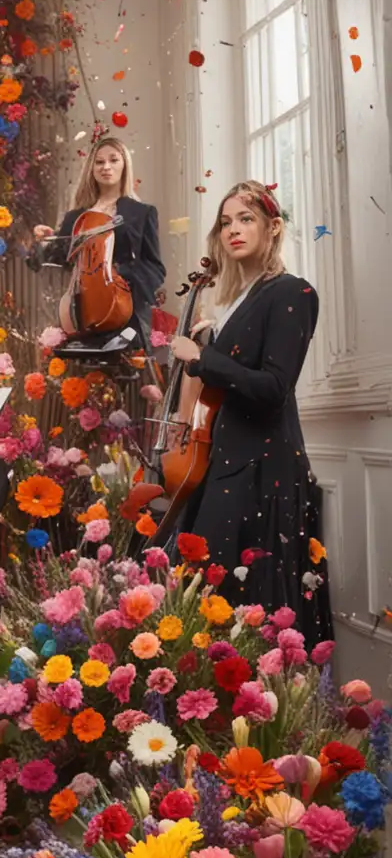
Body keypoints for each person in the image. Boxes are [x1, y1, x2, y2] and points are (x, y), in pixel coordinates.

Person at [169, 180, 331, 642]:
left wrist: (203, 358)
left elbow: (275, 387)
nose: (232, 230)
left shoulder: (293, 292)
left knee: (249, 606)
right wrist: (211, 344)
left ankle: (259, 710)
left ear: (273, 227)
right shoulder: (240, 300)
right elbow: (231, 379)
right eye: (225, 223)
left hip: (264, 468)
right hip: (228, 460)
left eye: (246, 219)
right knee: (212, 599)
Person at [32, 133, 165, 350]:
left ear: (124, 166)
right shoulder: (76, 217)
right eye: (99, 162)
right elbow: (59, 259)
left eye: (114, 160)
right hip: (82, 306)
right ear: (91, 170)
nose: (106, 167)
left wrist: (120, 277)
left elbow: (155, 268)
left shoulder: (142, 213)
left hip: (124, 309)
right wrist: (44, 242)